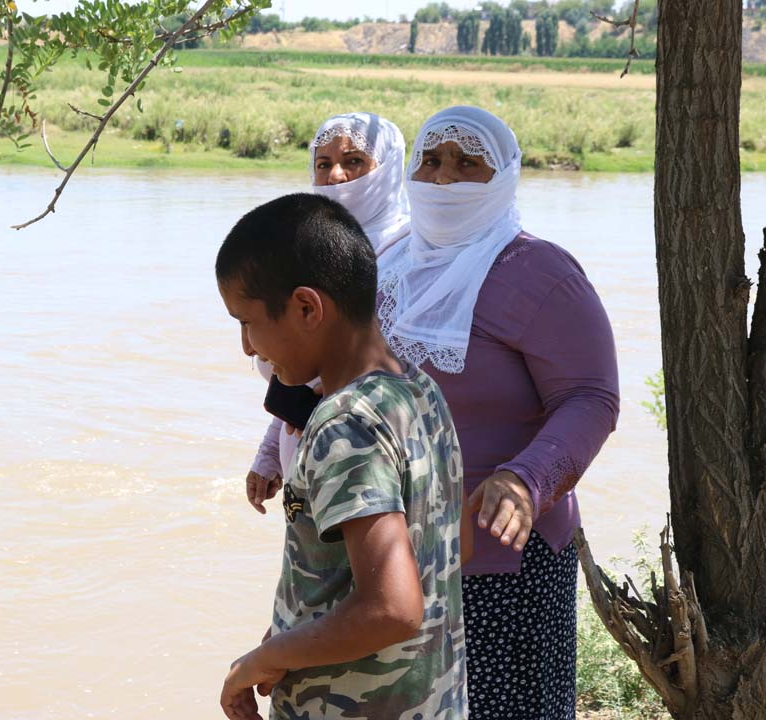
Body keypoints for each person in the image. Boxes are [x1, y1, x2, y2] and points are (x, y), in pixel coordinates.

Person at [379, 106, 620, 718]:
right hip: (393, 548)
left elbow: (591, 397)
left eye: (467, 164)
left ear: (504, 177)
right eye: (430, 161)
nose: (442, 178)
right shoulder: (388, 264)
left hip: (499, 559)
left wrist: (525, 478)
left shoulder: (540, 272)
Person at [216, 194, 467, 720]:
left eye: (247, 322)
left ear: (307, 308)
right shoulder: (418, 391)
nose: (246, 347)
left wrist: (259, 660)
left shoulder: (343, 423)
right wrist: (290, 634)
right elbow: (448, 547)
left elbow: (391, 608)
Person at [247, 112, 411, 515]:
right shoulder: (309, 251)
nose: (336, 175)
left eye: (354, 161)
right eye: (324, 164)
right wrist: (270, 450)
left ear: (387, 170)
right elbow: (300, 371)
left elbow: (408, 374)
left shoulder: (411, 256)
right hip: (303, 462)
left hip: (368, 469)